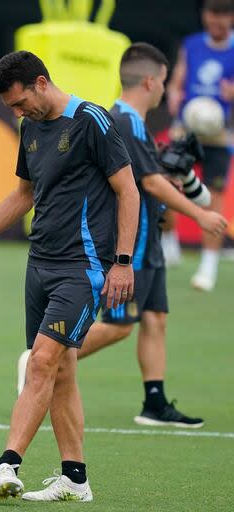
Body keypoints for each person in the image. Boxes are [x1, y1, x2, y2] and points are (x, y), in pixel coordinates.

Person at [0, 51, 139, 502]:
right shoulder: (30, 127)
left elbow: (128, 191)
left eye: (18, 103)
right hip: (40, 265)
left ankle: (7, 464)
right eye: (10, 108)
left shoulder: (92, 121)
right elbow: (24, 194)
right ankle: (75, 479)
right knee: (62, 368)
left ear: (41, 83)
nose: (16, 113)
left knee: (41, 361)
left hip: (83, 267)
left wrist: (122, 262)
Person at [78, 43, 229, 428]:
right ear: (149, 81)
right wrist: (200, 213)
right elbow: (149, 183)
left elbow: (151, 176)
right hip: (133, 242)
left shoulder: (134, 122)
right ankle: (41, 358)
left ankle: (155, 402)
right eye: (163, 81)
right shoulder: (124, 121)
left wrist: (177, 173)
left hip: (150, 240)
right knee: (118, 326)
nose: (165, 89)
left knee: (156, 318)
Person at [165, 0, 234, 291]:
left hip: (219, 133)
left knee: (214, 195)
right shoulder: (191, 45)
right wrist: (172, 93)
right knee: (164, 182)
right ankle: (168, 241)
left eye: (224, 15)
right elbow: (177, 81)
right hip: (186, 127)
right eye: (212, 14)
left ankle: (208, 266)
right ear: (205, 15)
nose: (217, 20)